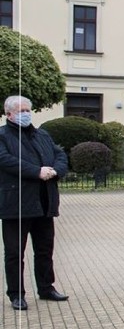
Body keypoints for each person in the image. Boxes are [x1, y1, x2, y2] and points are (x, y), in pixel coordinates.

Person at [0, 95, 69, 310]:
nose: (26, 114)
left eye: (28, 110)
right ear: (9, 114)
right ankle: (16, 294)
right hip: (16, 204)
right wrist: (36, 172)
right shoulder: (2, 136)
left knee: (44, 249)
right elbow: (6, 161)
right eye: (21, 111)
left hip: (44, 202)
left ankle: (46, 287)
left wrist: (55, 170)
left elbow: (60, 155)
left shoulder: (42, 135)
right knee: (14, 253)